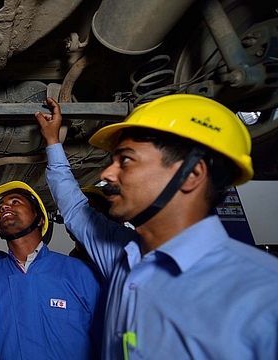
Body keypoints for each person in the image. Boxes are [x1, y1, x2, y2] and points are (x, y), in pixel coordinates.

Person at [36, 95, 278, 359]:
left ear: (191, 175)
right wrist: (52, 142)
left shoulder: (263, 292)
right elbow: (74, 208)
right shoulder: (122, 257)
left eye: (126, 160)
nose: (106, 174)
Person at [0, 180, 103, 360]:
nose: (4, 207)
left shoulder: (81, 274)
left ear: (40, 218)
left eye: (15, 201)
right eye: (0, 207)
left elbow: (108, 341)